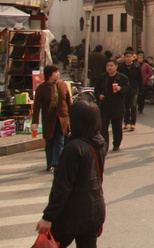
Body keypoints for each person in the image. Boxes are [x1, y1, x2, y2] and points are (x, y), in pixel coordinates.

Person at [35, 100, 106, 248]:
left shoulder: (73, 148)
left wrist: (48, 217)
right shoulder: (99, 142)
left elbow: (62, 187)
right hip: (95, 209)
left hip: (73, 214)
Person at [32, 64, 72, 171]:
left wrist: (72, 116)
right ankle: (49, 163)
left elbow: (69, 102)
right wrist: (34, 122)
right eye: (56, 72)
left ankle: (56, 163)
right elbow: (36, 107)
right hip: (48, 119)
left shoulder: (63, 85)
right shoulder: (41, 89)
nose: (58, 74)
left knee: (60, 141)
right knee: (49, 142)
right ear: (49, 74)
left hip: (62, 118)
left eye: (59, 72)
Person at [93, 58, 129, 151]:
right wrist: (99, 95)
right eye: (107, 66)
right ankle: (105, 145)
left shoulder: (122, 78)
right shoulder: (102, 77)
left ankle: (116, 144)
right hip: (105, 106)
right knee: (103, 127)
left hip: (117, 106)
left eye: (111, 66)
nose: (109, 68)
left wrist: (120, 89)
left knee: (117, 128)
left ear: (116, 66)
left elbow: (128, 89)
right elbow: (96, 90)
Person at [118, 50, 142, 132]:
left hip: (134, 88)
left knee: (133, 105)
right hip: (124, 89)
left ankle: (133, 123)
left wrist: (141, 89)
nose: (128, 58)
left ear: (133, 57)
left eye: (130, 56)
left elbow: (140, 79)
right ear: (124, 58)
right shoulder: (121, 67)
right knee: (125, 106)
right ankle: (126, 122)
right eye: (127, 56)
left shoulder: (136, 67)